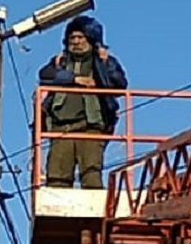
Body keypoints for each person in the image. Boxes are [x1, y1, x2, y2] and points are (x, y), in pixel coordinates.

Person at [38, 15, 127, 188]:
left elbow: (119, 84)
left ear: (91, 39)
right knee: (57, 176)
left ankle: (93, 213)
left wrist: (105, 62)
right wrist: (74, 79)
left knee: (91, 172)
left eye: (81, 37)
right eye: (72, 38)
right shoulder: (61, 61)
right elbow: (44, 75)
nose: (76, 42)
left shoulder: (102, 61)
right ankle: (57, 214)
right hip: (60, 127)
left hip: (91, 126)